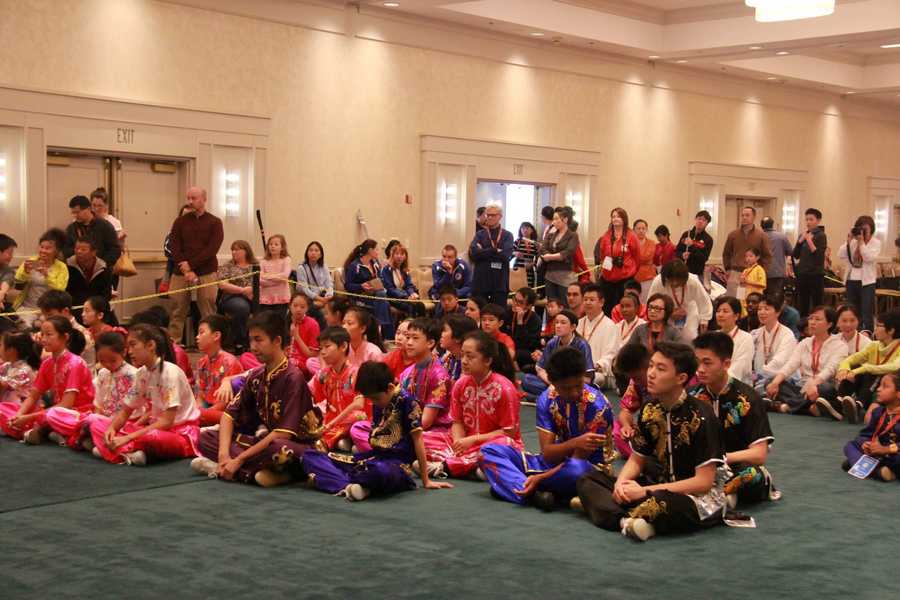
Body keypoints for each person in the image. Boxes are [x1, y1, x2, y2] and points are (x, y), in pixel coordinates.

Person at [576, 341, 727, 542]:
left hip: (694, 496)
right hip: (658, 484)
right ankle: (627, 521)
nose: (651, 374)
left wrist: (643, 491)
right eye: (651, 366)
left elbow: (703, 483)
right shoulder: (649, 410)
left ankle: (610, 511)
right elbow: (637, 459)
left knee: (663, 503)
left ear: (681, 378)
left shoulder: (702, 415)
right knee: (587, 480)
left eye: (660, 369)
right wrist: (621, 484)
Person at [191, 312, 323, 486]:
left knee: (279, 449)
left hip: (298, 445)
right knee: (206, 437)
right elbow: (228, 416)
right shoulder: (256, 375)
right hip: (265, 441)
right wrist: (223, 455)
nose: (253, 347)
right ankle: (251, 472)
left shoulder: (293, 378)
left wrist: (239, 459)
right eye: (251, 340)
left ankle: (243, 470)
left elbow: (283, 434)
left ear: (277, 341)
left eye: (258, 340)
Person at [482, 346, 614, 510]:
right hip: (552, 464)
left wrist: (541, 478)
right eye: (566, 388)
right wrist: (575, 443)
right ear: (553, 383)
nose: (574, 392)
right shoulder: (547, 398)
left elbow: (578, 459)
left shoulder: (598, 407)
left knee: (577, 470)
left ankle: (516, 488)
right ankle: (535, 494)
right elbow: (548, 454)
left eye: (578, 385)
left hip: (588, 469)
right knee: (488, 451)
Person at [301, 361, 453, 500]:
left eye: (375, 398)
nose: (373, 403)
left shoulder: (408, 402)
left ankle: (344, 480)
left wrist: (426, 480)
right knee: (310, 455)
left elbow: (418, 440)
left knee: (380, 472)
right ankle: (351, 485)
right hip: (373, 458)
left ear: (390, 388)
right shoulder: (378, 403)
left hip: (397, 466)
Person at [91, 324, 200, 466]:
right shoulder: (142, 373)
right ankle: (127, 451)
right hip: (154, 426)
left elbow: (167, 422)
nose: (130, 352)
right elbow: (126, 411)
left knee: (151, 437)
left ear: (150, 345)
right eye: (128, 347)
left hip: (180, 433)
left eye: (133, 345)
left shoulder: (170, 373)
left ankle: (119, 450)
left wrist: (128, 437)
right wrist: (112, 429)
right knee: (96, 422)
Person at [691, 332, 777, 505]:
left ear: (726, 364)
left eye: (707, 363)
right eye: (697, 362)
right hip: (699, 467)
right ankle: (720, 496)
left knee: (751, 474)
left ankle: (717, 494)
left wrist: (718, 458)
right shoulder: (691, 396)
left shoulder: (748, 398)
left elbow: (759, 454)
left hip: (734, 465)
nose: (700, 369)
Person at [421, 331, 521, 479]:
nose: (464, 361)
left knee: (499, 446)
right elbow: (457, 422)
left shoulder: (504, 388)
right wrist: (458, 443)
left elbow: (509, 433)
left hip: (491, 443)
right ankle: (471, 468)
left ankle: (445, 466)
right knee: (422, 438)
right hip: (466, 441)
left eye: (470, 356)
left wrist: (473, 440)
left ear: (487, 361)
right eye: (462, 355)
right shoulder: (461, 384)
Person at [0, 316, 94, 442]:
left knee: (52, 415)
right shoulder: (47, 363)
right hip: (54, 411)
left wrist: (27, 418)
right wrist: (19, 415)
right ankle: (40, 430)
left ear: (65, 337)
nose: (43, 339)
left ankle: (41, 431)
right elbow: (33, 396)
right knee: (3, 409)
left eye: (49, 335)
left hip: (74, 414)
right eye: (42, 334)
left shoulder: (75, 363)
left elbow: (66, 405)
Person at [45, 331, 136, 450]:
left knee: (93, 420)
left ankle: (81, 437)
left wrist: (98, 421)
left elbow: (132, 412)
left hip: (121, 425)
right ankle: (92, 437)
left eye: (112, 360)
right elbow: (98, 404)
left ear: (124, 352)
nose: (108, 365)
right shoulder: (103, 373)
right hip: (99, 420)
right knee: (53, 413)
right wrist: (96, 418)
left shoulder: (133, 374)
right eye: (102, 361)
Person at [765, 306, 848, 415]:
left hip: (822, 387)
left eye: (817, 319)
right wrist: (775, 382)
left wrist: (814, 384)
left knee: (825, 388)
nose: (812, 322)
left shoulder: (840, 345)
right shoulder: (804, 343)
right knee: (771, 380)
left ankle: (785, 406)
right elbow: (790, 365)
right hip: (802, 388)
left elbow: (829, 370)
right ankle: (809, 408)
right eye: (811, 318)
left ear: (829, 324)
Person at [166, 187, 224, 343]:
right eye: (188, 198)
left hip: (206, 270)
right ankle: (174, 343)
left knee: (208, 309)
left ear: (204, 199)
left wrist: (191, 265)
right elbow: (174, 245)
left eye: (194, 198)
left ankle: (211, 342)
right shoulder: (180, 221)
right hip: (181, 271)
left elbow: (212, 249)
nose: (190, 201)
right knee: (177, 309)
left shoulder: (215, 222)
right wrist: (185, 268)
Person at [835, 309, 900, 424]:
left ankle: (858, 406)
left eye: (878, 326)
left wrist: (864, 368)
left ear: (891, 330)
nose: (875, 329)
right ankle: (839, 402)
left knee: (872, 373)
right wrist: (844, 369)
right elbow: (850, 359)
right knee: (856, 368)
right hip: (869, 385)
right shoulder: (874, 345)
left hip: (888, 388)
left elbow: (894, 367)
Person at [313, 326, 368, 452]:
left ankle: (329, 441)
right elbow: (312, 396)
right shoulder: (323, 374)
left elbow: (359, 405)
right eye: (321, 348)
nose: (322, 352)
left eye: (327, 346)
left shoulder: (356, 373)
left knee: (356, 416)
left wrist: (331, 424)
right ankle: (341, 441)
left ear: (343, 346)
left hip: (351, 421)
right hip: (330, 422)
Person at [841, 372, 900, 482]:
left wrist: (886, 449)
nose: (878, 389)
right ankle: (879, 472)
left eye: (885, 386)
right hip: (878, 453)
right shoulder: (878, 412)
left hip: (894, 454)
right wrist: (866, 444)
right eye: (879, 385)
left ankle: (858, 464)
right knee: (850, 445)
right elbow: (865, 435)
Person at [522, 310, 593, 397]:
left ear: (573, 327)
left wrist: (563, 385)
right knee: (527, 380)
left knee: (584, 389)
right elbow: (540, 369)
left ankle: (550, 395)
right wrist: (553, 384)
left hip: (573, 385)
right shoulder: (552, 343)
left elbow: (587, 378)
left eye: (563, 323)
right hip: (554, 382)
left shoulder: (582, 345)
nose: (558, 326)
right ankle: (554, 394)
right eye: (556, 322)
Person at [194, 315, 243, 427]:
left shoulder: (230, 362)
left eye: (201, 333)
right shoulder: (201, 362)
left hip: (227, 413)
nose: (197, 337)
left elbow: (225, 403)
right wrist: (199, 410)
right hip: (207, 409)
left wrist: (202, 414)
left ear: (216, 336)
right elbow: (200, 395)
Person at [647, 259, 712, 344]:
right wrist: (668, 313)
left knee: (689, 337)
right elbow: (651, 302)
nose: (674, 283)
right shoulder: (658, 281)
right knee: (666, 338)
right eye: (671, 280)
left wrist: (704, 320)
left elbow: (703, 301)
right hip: (665, 312)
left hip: (689, 310)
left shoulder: (693, 281)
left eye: (678, 280)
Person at [13, 228, 68, 327]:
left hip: (49, 310)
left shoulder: (61, 267)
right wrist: (25, 272)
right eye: (41, 247)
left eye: (48, 248)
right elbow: (17, 283)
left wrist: (47, 276)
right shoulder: (31, 261)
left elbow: (60, 290)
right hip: (27, 307)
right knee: (25, 327)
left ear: (57, 250)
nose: (43, 251)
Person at [343, 239, 394, 340]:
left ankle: (383, 333)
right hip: (360, 296)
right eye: (376, 249)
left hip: (375, 295)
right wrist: (361, 286)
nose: (378, 252)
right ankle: (383, 332)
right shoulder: (355, 266)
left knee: (383, 299)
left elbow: (381, 279)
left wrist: (379, 284)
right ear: (370, 250)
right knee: (383, 300)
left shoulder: (375, 264)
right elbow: (348, 286)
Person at [750, 293, 798, 396]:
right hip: (758, 378)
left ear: (778, 312)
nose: (762, 312)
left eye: (766, 309)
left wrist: (759, 375)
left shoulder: (787, 334)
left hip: (781, 379)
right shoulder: (755, 334)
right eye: (759, 309)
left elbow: (780, 361)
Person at [594, 207, 639, 315]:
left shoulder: (631, 236)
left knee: (623, 307)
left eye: (618, 216)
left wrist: (630, 270)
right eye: (613, 216)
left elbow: (637, 257)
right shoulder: (606, 236)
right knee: (606, 307)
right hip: (608, 278)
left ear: (624, 219)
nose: (615, 219)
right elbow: (602, 255)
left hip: (625, 279)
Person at [839, 216, 880, 332]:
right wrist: (848, 241)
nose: (863, 232)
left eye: (865, 230)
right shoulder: (853, 242)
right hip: (851, 280)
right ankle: (853, 333)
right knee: (852, 311)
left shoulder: (875, 243)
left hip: (867, 282)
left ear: (871, 230)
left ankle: (868, 334)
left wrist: (861, 243)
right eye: (860, 229)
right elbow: (840, 255)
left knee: (866, 311)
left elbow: (868, 258)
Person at [469, 202, 515, 307]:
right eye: (488, 215)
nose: (489, 217)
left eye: (493, 215)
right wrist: (494, 250)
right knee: (480, 312)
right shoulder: (480, 234)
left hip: (499, 282)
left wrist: (483, 251)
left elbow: (505, 255)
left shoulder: (507, 235)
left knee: (498, 313)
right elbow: (474, 254)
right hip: (481, 282)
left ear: (500, 216)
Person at [216, 240, 258, 353]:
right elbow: (222, 285)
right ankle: (241, 342)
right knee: (241, 308)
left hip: (253, 295)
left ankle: (260, 341)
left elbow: (262, 281)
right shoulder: (228, 266)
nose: (234, 252)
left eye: (237, 250)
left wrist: (252, 291)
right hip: (232, 297)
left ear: (246, 251)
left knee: (266, 307)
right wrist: (242, 290)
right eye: (232, 250)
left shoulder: (256, 265)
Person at [722, 206, 772, 297]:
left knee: (749, 300)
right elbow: (726, 253)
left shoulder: (761, 235)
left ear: (754, 217)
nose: (744, 217)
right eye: (743, 215)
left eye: (747, 215)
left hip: (753, 274)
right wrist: (728, 268)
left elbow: (767, 256)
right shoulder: (733, 234)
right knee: (732, 300)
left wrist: (762, 272)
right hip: (736, 272)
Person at [612, 343, 651, 459]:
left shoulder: (665, 382)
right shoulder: (635, 383)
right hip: (646, 431)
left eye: (637, 377)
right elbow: (625, 411)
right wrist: (626, 426)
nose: (635, 381)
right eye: (632, 378)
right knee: (618, 429)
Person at [577, 284, 618, 389]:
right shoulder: (578, 323)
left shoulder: (610, 325)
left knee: (596, 378)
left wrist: (596, 366)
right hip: (577, 370)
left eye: (592, 300)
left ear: (601, 302)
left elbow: (611, 354)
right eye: (585, 299)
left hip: (599, 372)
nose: (588, 302)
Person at [62, 195, 121, 269]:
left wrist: (103, 264)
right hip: (78, 270)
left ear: (88, 209)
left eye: (77, 212)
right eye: (73, 213)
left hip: (102, 270)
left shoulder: (104, 226)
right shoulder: (72, 228)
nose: (75, 216)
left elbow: (115, 249)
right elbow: (66, 249)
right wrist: (79, 255)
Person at [792, 208, 828, 317]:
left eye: (811, 219)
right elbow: (795, 255)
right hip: (803, 273)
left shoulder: (821, 235)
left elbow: (819, 257)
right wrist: (799, 242)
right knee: (802, 302)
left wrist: (809, 240)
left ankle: (818, 321)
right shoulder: (803, 235)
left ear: (818, 220)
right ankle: (803, 323)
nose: (808, 222)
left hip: (815, 274)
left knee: (817, 302)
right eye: (807, 219)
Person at [541, 207, 580, 304]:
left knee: (564, 304)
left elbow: (568, 252)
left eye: (556, 219)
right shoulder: (551, 234)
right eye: (553, 219)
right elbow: (542, 249)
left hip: (565, 275)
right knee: (551, 304)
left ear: (565, 220)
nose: (553, 222)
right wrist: (552, 256)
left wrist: (550, 257)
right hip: (550, 274)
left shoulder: (573, 235)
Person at [713, 296, 754, 385]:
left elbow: (740, 368)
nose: (720, 315)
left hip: (738, 385)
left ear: (736, 316)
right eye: (718, 311)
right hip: (713, 382)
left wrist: (718, 380)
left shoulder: (746, 338)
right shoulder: (712, 336)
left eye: (725, 311)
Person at [65, 237, 113, 312]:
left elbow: (106, 295)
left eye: (83, 249)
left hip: (97, 308)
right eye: (76, 248)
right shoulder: (67, 266)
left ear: (94, 252)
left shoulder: (104, 269)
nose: (79, 252)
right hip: (74, 308)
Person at [381, 242, 424, 318]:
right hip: (392, 297)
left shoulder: (404, 270)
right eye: (397, 254)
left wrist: (412, 294)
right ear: (392, 255)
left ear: (405, 256)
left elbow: (409, 285)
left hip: (405, 297)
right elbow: (390, 289)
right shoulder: (387, 269)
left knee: (420, 305)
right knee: (411, 306)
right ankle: (409, 324)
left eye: (402, 254)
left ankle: (420, 325)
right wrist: (406, 297)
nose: (399, 256)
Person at [296, 241, 334, 326]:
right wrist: (320, 299)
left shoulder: (323, 266)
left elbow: (329, 283)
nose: (313, 253)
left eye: (316, 250)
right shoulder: (301, 268)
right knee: (320, 314)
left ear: (320, 255)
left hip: (322, 297)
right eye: (311, 250)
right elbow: (305, 290)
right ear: (307, 253)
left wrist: (329, 295)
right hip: (307, 298)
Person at [0, 330, 39, 407]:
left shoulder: (24, 370)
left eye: (0, 345)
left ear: (11, 350)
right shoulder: (6, 366)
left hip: (19, 410)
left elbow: (2, 385)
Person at [509, 286, 542, 373]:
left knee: (521, 353)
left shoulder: (535, 319)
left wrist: (520, 322)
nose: (515, 303)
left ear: (529, 306)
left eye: (520, 302)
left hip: (525, 352)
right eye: (514, 299)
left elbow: (527, 345)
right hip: (509, 349)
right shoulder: (508, 312)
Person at [258, 234, 292, 315]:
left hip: (282, 297)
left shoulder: (286, 259)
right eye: (270, 244)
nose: (273, 246)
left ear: (282, 247)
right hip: (266, 298)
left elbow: (285, 276)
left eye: (276, 244)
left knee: (279, 320)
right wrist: (278, 280)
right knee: (265, 320)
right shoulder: (263, 261)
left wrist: (267, 276)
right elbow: (260, 280)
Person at [287, 292, 320, 376]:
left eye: (302, 307)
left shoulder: (313, 324)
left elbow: (312, 355)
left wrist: (297, 337)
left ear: (307, 308)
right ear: (290, 306)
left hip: (304, 363)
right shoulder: (286, 320)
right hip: (287, 359)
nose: (298, 309)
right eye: (295, 306)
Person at [439, 314, 478, 382]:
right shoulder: (449, 357)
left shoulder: (469, 366)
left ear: (458, 337)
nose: (440, 334)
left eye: (444, 330)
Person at [676, 211, 714, 279]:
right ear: (695, 219)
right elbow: (677, 251)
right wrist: (682, 255)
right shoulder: (686, 234)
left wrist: (692, 246)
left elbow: (704, 258)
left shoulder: (708, 239)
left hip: (697, 274)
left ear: (707, 223)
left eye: (704, 220)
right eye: (699, 218)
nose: (700, 221)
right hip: (682, 271)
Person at [760, 217, 791, 294]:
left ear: (761, 226)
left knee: (762, 296)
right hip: (778, 272)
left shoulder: (759, 237)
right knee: (776, 297)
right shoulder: (782, 237)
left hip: (761, 273)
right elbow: (790, 252)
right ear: (772, 224)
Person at [632, 219, 657, 302]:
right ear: (634, 230)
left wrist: (634, 258)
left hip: (648, 277)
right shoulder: (630, 243)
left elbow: (647, 257)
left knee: (647, 301)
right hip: (633, 276)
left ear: (646, 230)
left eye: (643, 228)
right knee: (633, 301)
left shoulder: (651, 243)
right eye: (638, 228)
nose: (641, 231)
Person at [513, 222, 540, 292]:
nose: (525, 230)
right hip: (517, 270)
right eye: (523, 228)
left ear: (532, 230)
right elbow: (509, 253)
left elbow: (539, 257)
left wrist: (533, 264)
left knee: (528, 291)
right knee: (517, 290)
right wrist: (515, 253)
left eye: (527, 228)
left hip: (529, 272)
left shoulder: (535, 243)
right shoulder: (517, 241)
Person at [738, 248, 766, 314]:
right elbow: (741, 285)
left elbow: (763, 284)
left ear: (757, 257)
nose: (748, 258)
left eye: (751, 256)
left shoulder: (759, 269)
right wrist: (739, 297)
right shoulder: (745, 270)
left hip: (754, 300)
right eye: (746, 256)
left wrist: (748, 282)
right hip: (744, 299)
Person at [0, 234, 18, 310]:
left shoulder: (7, 270)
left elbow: (8, 280)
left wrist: (2, 293)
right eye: (9, 253)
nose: (11, 256)